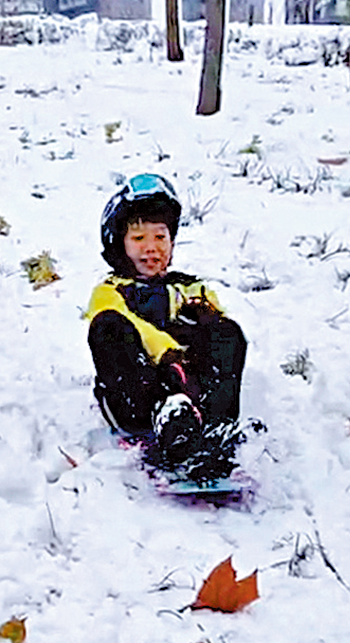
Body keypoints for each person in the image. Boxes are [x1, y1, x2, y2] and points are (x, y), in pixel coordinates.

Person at [85, 173, 247, 464]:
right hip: (138, 398)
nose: (151, 247)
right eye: (138, 238)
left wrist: (205, 320)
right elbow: (121, 322)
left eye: (161, 237)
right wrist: (168, 355)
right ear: (118, 244)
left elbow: (221, 334)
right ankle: (170, 423)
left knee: (227, 333)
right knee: (108, 327)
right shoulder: (110, 291)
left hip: (194, 392)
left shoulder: (190, 288)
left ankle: (214, 424)